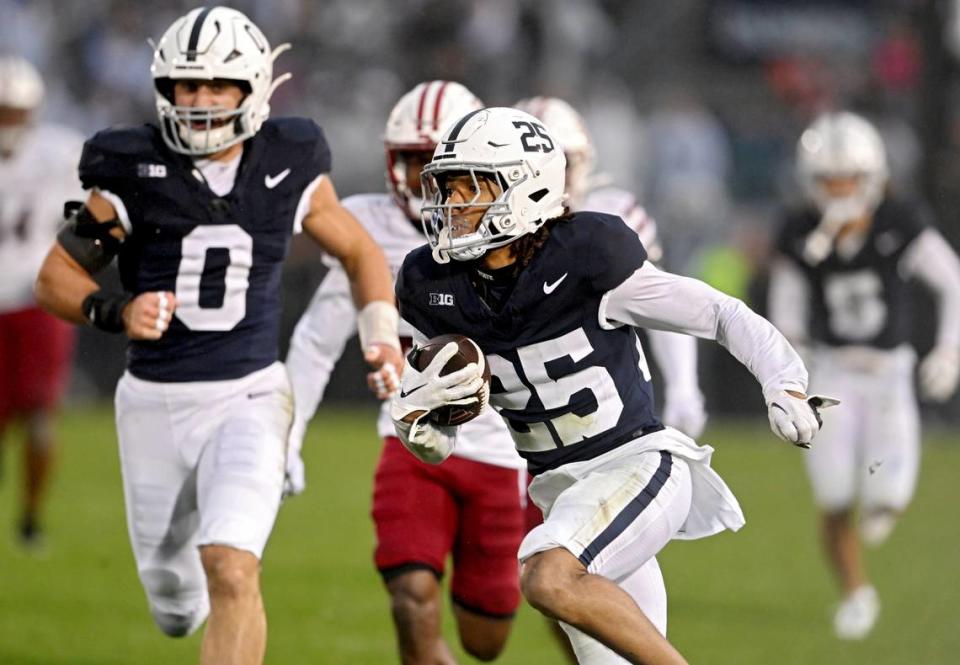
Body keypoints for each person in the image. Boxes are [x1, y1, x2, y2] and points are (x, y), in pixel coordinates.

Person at [389, 106, 833, 664]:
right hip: (566, 496)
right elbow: (438, 446)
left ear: (524, 190)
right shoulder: (431, 284)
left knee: (547, 576)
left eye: (470, 189)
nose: (451, 206)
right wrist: (417, 422)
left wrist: (783, 379)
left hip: (638, 466)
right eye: (448, 190)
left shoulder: (588, 253)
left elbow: (718, 313)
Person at [34, 7, 401, 665]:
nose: (199, 101)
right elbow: (56, 275)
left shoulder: (289, 163)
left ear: (253, 87)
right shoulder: (133, 169)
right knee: (175, 603)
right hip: (154, 402)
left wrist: (381, 336)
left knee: (232, 567)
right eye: (185, 85)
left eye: (216, 86)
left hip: (250, 396)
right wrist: (115, 310)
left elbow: (360, 251)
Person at [286, 80, 527, 663]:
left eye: (438, 162)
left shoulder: (522, 230)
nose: (426, 180)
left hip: (505, 453)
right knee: (411, 596)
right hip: (410, 440)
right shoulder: (367, 227)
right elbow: (317, 340)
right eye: (412, 160)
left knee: (484, 639)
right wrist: (287, 438)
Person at [515, 95, 705, 662]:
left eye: (566, 160)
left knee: (563, 573)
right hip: (532, 437)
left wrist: (686, 384)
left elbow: (665, 305)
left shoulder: (608, 221)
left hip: (609, 430)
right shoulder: (490, 236)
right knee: (552, 581)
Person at [769, 111, 960, 640]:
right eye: (827, 181)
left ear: (872, 179)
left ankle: (883, 502)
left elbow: (951, 281)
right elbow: (786, 313)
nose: (837, 192)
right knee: (833, 495)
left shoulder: (900, 219)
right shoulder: (799, 231)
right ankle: (856, 592)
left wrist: (949, 350)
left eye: (847, 180)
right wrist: (789, 376)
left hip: (888, 372)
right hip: (831, 371)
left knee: (886, 496)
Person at [0, 55, 84, 549]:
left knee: (38, 414)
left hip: (38, 297)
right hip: (26, 296)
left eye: (15, 111)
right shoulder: (60, 151)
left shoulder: (59, 152)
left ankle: (31, 518)